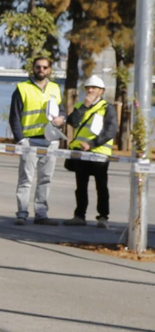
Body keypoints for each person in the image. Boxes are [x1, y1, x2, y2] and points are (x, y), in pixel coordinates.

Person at [11, 54, 67, 225]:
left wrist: (62, 119)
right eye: (38, 67)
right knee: (25, 180)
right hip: (29, 141)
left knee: (45, 179)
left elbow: (62, 111)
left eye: (44, 67)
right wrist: (20, 139)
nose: (41, 70)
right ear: (33, 69)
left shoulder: (55, 88)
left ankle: (41, 214)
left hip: (50, 141)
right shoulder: (22, 88)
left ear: (49, 70)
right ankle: (22, 213)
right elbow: (14, 116)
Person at [63, 74, 118, 228]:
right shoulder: (82, 105)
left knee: (101, 186)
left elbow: (110, 131)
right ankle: (79, 216)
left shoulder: (107, 108)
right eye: (88, 88)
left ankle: (103, 217)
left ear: (101, 91)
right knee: (81, 186)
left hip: (99, 153)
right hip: (81, 153)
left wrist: (92, 144)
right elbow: (72, 121)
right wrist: (84, 106)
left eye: (94, 88)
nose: (90, 90)